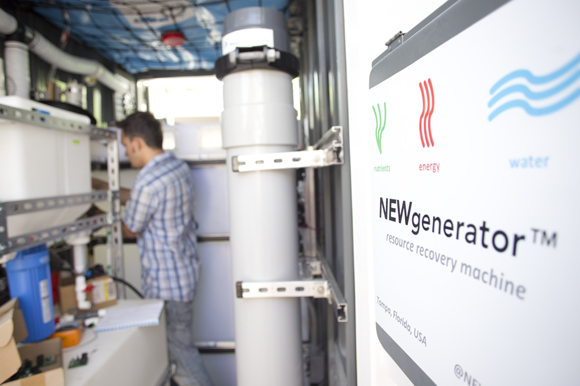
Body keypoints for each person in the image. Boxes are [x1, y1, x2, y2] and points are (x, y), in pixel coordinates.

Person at [93, 112, 214, 386]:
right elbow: (147, 199)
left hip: (166, 286)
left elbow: (130, 228)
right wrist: (107, 189)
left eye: (125, 145)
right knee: (179, 354)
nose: (126, 152)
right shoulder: (176, 167)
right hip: (183, 276)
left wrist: (105, 208)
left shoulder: (147, 181)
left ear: (137, 143)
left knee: (183, 361)